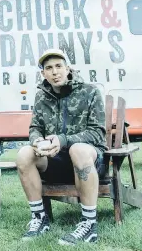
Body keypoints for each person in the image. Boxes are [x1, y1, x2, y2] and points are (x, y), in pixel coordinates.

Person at [16, 49, 107, 246]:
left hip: (89, 161)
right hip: (55, 163)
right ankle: (40, 219)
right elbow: (35, 128)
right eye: (49, 68)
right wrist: (38, 141)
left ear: (68, 69)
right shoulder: (42, 96)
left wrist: (63, 140)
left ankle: (89, 225)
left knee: (78, 149)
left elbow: (98, 133)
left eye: (58, 66)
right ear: (43, 74)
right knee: (24, 154)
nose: (54, 72)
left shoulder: (89, 92)